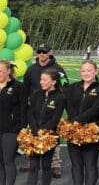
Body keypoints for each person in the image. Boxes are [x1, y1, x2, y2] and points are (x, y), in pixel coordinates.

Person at [17, 68, 66, 185]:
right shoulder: (36, 94)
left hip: (49, 137)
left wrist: (43, 131)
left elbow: (55, 118)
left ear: (54, 82)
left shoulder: (60, 97)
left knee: (46, 166)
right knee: (33, 167)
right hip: (34, 135)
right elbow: (30, 113)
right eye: (41, 79)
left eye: (45, 80)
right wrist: (35, 130)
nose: (42, 82)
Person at [64, 60, 99, 185]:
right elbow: (69, 105)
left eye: (89, 70)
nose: (86, 73)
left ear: (96, 71)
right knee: (76, 164)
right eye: (83, 70)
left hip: (91, 131)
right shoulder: (72, 87)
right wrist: (75, 122)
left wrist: (78, 120)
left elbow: (97, 108)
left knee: (90, 164)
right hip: (73, 130)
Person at [22, 44, 68, 178]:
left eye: (44, 52)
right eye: (39, 52)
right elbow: (25, 88)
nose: (41, 54)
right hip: (36, 108)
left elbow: (65, 86)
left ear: (50, 52)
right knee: (34, 132)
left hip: (53, 107)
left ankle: (55, 164)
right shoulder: (31, 69)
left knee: (52, 134)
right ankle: (32, 161)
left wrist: (59, 101)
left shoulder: (58, 69)